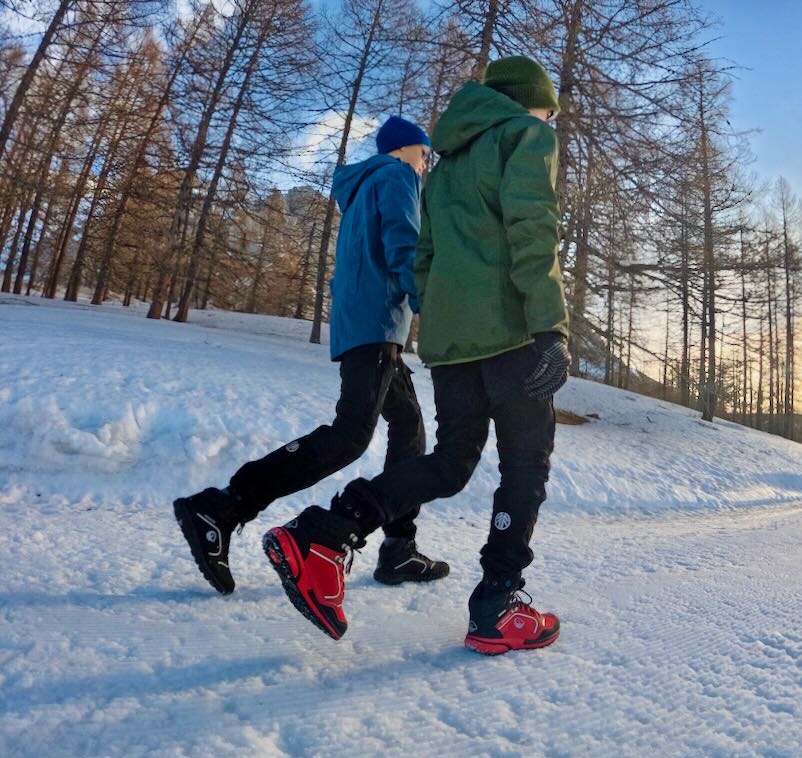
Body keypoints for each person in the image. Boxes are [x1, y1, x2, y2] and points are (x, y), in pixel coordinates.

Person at [261, 56, 570, 655]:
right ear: (528, 102)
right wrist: (550, 326)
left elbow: (424, 256)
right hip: (513, 333)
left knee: (452, 463)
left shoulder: (446, 163)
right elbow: (534, 227)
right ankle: (497, 604)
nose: (549, 118)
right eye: (547, 107)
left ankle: (325, 533)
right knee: (525, 467)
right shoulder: (527, 136)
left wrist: (447, 315)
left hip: (453, 345)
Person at [173, 116, 449, 595]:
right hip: (376, 323)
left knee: (409, 425)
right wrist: (436, 311)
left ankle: (399, 547)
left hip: (365, 322)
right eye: (425, 154)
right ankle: (223, 506)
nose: (427, 165)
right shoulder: (397, 176)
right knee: (350, 435)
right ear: (409, 150)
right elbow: (404, 248)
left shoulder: (364, 187)